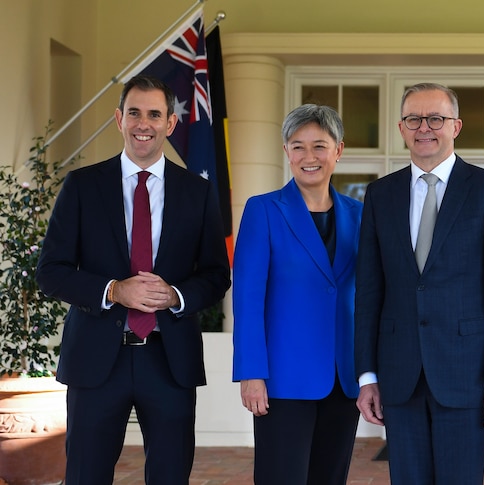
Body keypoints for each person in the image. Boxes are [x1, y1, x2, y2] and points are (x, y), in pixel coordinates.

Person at [35, 75, 231, 485]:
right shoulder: (82, 186)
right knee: (86, 475)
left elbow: (216, 275)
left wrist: (176, 295)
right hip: (96, 361)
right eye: (135, 113)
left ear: (170, 124)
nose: (144, 123)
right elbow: (50, 271)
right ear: (119, 119)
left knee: (170, 476)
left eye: (155, 114)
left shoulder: (198, 193)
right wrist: (113, 290)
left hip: (169, 359)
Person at [354, 82, 484, 485]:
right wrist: (367, 376)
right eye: (414, 118)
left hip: (467, 374)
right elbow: (369, 290)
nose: (424, 127)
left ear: (456, 126)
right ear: (401, 127)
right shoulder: (380, 195)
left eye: (436, 118)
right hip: (399, 375)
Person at [232, 104, 362, 485]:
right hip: (283, 379)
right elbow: (248, 299)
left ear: (338, 150)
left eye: (320, 146)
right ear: (286, 151)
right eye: (298, 146)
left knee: (330, 478)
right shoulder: (263, 211)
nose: (310, 157)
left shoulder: (360, 214)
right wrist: (251, 372)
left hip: (344, 377)